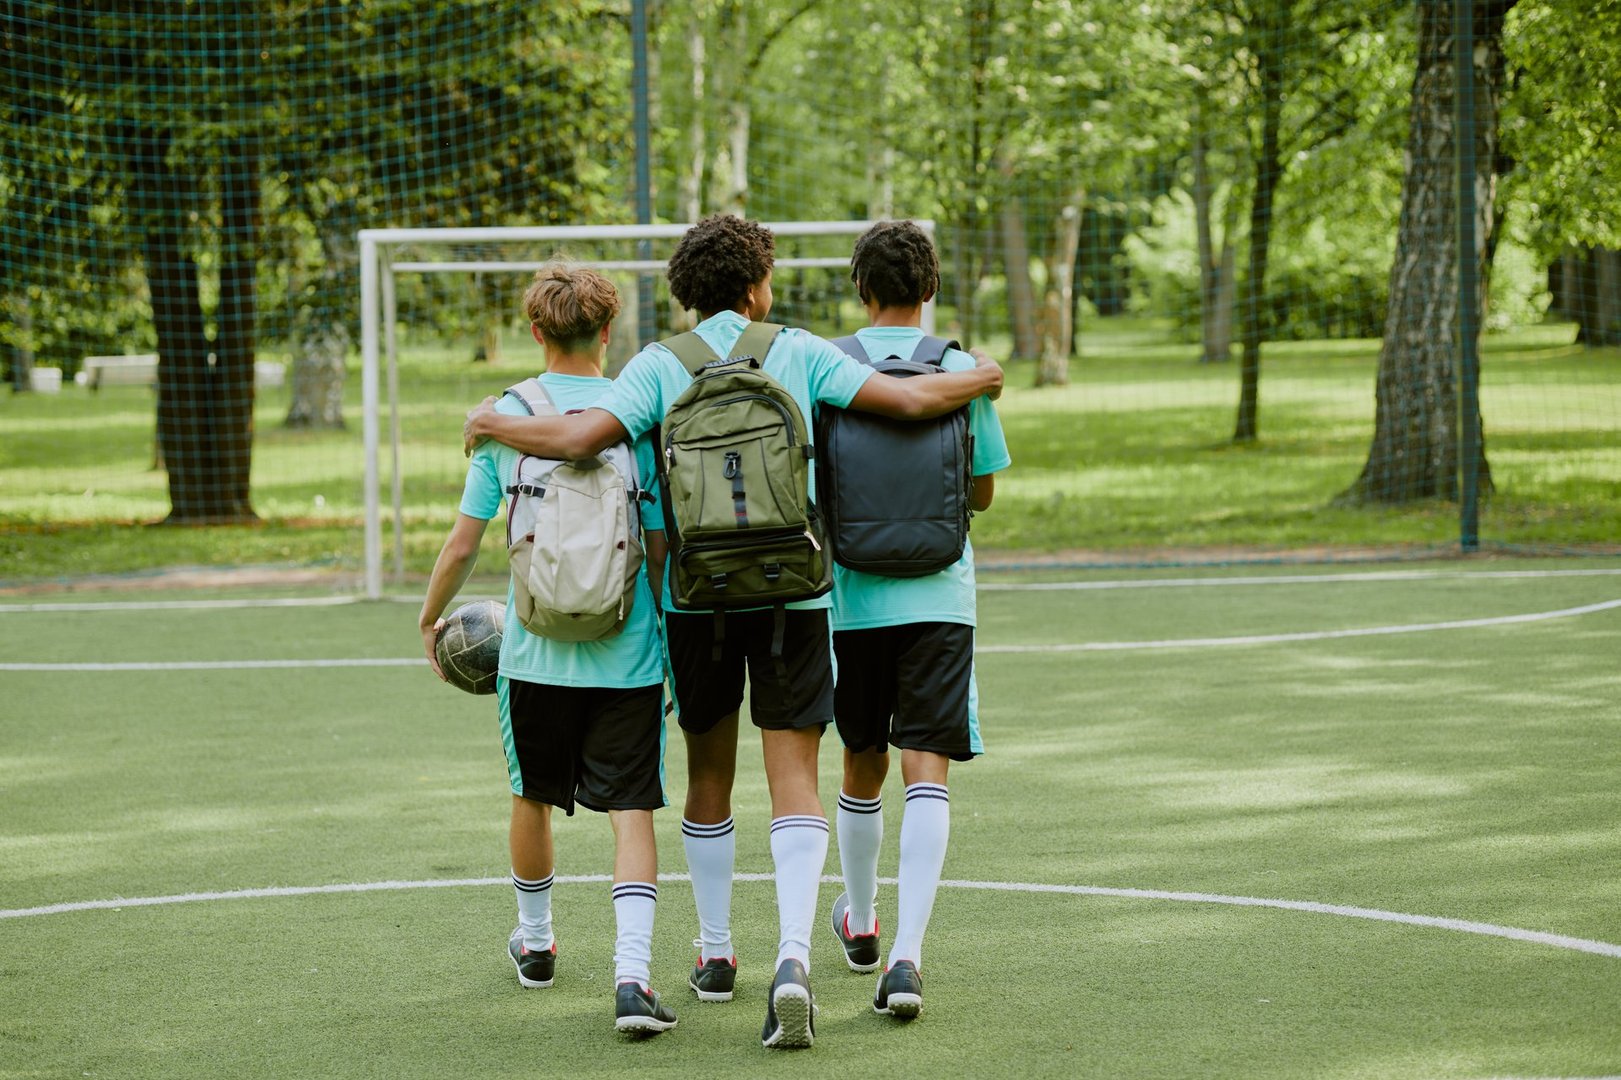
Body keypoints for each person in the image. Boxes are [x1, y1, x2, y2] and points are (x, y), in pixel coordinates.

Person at [462, 214, 1004, 1050]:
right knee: (794, 775)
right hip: (792, 592)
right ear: (758, 285)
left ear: (683, 293)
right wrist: (983, 376)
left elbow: (576, 439)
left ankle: (715, 955)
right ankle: (792, 958)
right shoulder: (798, 349)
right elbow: (902, 399)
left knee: (708, 771)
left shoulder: (654, 366)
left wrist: (494, 423)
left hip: (694, 597)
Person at [418, 263, 677, 1037]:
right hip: (628, 651)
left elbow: (465, 542)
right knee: (630, 809)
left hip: (531, 655)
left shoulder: (506, 417)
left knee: (531, 796)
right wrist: (669, 636)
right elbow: (659, 547)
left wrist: (430, 620)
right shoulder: (636, 414)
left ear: (535, 331)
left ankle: (536, 945)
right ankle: (632, 978)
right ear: (608, 332)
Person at [822, 220, 1011, 1020]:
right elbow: (981, 491)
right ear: (929, 290)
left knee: (861, 759)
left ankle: (858, 920)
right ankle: (905, 957)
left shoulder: (827, 364)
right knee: (924, 768)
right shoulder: (961, 368)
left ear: (860, 290)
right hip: (940, 595)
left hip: (850, 599)